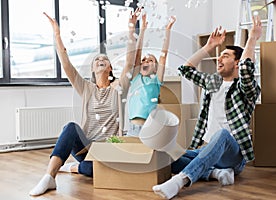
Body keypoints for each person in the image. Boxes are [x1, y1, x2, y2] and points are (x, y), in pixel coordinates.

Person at [29, 8, 140, 196]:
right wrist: (57, 34)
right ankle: (49, 176)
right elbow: (66, 65)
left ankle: (73, 168)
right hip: (87, 148)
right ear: (92, 68)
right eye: (97, 59)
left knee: (91, 170)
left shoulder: (119, 88)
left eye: (104, 59)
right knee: (71, 127)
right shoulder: (86, 87)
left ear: (111, 68)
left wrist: (131, 30)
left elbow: (130, 63)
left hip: (108, 150)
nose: (101, 60)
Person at [152, 15, 262, 199]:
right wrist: (208, 47)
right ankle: (216, 173)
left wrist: (252, 39)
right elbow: (186, 70)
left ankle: (181, 180)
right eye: (219, 55)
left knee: (223, 134)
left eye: (225, 56)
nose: (219, 59)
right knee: (165, 155)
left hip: (232, 155)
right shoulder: (213, 82)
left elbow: (246, 70)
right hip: (206, 149)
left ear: (237, 63)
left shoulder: (246, 89)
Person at [126, 11, 176, 137]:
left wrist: (167, 30)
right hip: (131, 128)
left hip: (148, 128)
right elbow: (137, 53)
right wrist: (142, 30)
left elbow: (163, 56)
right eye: (144, 60)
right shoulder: (136, 77)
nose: (145, 61)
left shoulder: (156, 80)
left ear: (155, 68)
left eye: (150, 60)